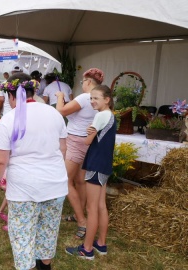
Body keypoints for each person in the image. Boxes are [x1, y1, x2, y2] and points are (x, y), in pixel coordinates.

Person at [0, 72, 68, 270]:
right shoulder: (54, 113)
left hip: (24, 188)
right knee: (48, 231)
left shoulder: (8, 119)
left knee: (23, 236)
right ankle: (45, 266)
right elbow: (63, 149)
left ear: (12, 95)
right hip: (55, 185)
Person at [65, 85, 116, 260]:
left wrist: (89, 132)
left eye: (96, 98)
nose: (92, 101)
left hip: (95, 165)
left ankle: (86, 249)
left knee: (91, 208)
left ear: (107, 99)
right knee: (101, 205)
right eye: (91, 98)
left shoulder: (101, 115)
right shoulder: (110, 115)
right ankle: (101, 243)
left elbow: (87, 141)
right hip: (104, 164)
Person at [55, 68, 104, 239]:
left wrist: (60, 98)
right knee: (80, 181)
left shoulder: (84, 97)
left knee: (65, 181)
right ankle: (78, 214)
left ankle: (82, 221)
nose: (82, 85)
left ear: (89, 81)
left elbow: (60, 111)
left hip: (76, 141)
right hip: (88, 142)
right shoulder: (98, 99)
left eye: (83, 82)